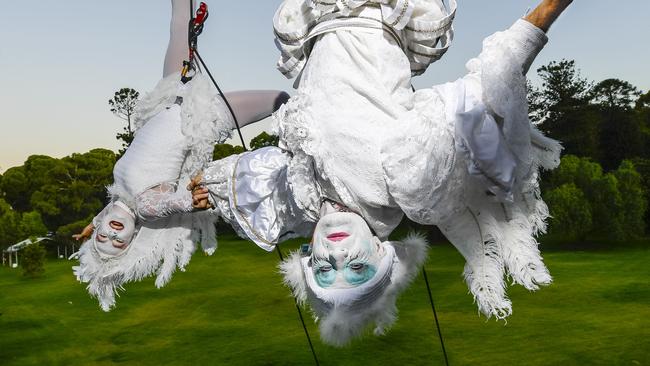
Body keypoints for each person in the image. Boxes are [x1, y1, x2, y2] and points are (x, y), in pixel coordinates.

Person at [189, 0, 574, 345]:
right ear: (381, 253)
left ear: (309, 257)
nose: (338, 252)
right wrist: (548, 11)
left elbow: (246, 184)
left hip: (315, 16)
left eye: (325, 269)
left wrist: (207, 189)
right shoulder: (407, 179)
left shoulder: (299, 201)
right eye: (356, 267)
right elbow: (483, 92)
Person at [73, 0, 290, 311]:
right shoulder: (147, 208)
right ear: (134, 239)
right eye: (117, 243)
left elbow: (108, 216)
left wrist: (91, 226)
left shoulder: (120, 197)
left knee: (179, 19)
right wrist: (191, 202)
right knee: (280, 100)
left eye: (102, 238)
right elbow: (173, 205)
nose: (111, 234)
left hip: (170, 94)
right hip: (200, 115)